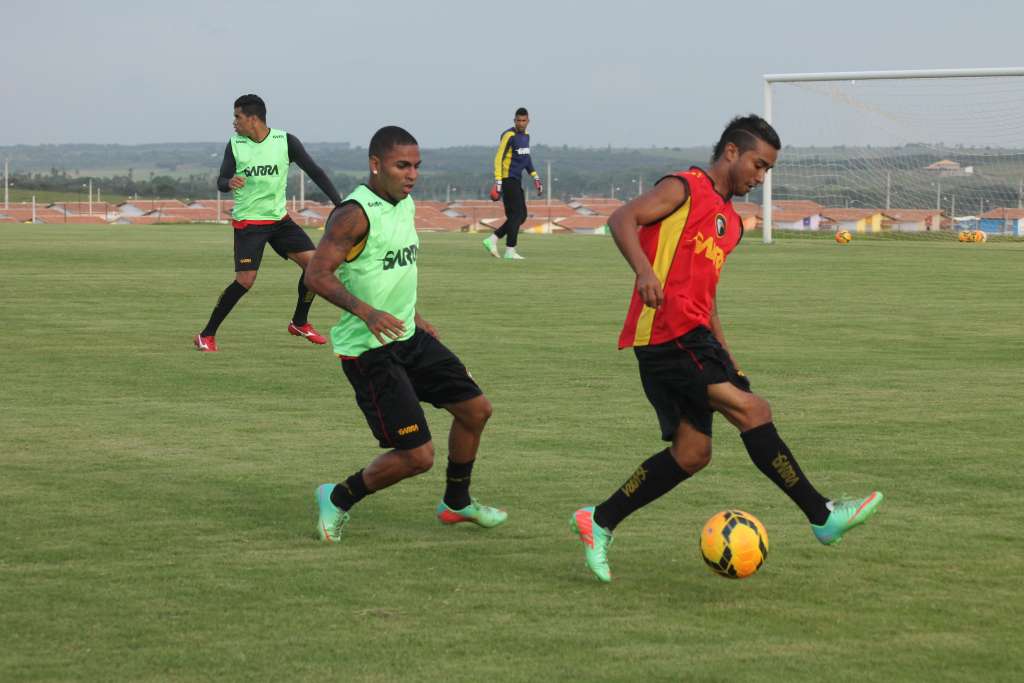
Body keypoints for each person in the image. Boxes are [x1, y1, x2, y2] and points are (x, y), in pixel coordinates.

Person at [570, 115, 883, 582]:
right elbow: (622, 219)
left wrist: (727, 351)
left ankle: (599, 519)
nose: (760, 177)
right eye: (758, 164)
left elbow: (707, 295)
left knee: (693, 453)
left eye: (768, 170)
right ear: (732, 152)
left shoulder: (731, 226)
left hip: (692, 338)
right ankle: (822, 515)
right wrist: (643, 271)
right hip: (666, 335)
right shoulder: (686, 187)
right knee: (754, 410)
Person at [305, 126, 507, 542]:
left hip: (407, 335)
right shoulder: (353, 214)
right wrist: (367, 313)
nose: (411, 174)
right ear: (376, 165)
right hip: (367, 349)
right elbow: (316, 274)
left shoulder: (406, 204)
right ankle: (338, 498)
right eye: (402, 166)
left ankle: (456, 502)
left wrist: (412, 313)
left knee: (476, 410)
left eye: (416, 166)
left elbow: (388, 269)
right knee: (418, 456)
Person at [193, 94, 344, 352]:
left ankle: (299, 322)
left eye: (237, 117)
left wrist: (340, 206)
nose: (234, 122)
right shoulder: (235, 144)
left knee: (316, 268)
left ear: (253, 119)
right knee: (245, 280)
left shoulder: (285, 141)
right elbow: (221, 180)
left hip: (279, 221)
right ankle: (206, 335)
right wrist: (228, 183)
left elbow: (316, 172)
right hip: (249, 223)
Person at [482, 107, 542, 260]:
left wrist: (535, 177)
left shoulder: (526, 136)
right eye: (518, 120)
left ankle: (493, 240)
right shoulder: (509, 135)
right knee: (517, 215)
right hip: (507, 179)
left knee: (520, 216)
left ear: (528, 121)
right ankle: (509, 250)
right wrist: (498, 181)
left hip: (516, 179)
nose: (521, 123)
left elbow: (526, 159)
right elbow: (498, 158)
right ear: (514, 121)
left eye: (524, 120)